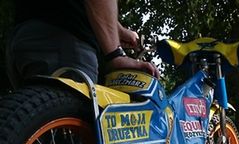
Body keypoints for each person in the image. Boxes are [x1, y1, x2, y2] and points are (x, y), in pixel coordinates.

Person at [6, 0, 159, 89]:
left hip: (25, 38)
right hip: (65, 44)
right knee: (69, 139)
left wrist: (119, 31)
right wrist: (115, 54)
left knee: (31, 132)